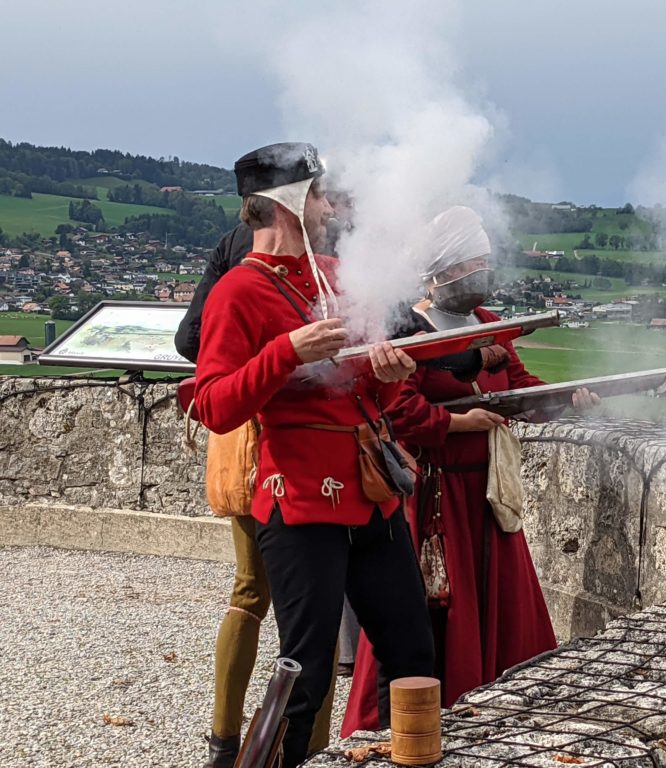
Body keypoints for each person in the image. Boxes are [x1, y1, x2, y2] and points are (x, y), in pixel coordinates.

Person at [192, 142, 434, 768]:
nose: (330, 208)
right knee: (304, 678)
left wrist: (390, 371)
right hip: (300, 504)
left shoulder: (336, 272)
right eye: (320, 196)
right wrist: (287, 353)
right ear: (287, 203)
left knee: (413, 658)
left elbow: (366, 391)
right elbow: (216, 405)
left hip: (373, 497)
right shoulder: (237, 293)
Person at [341, 206, 597, 736]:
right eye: (472, 261)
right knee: (428, 613)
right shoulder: (408, 326)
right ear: (444, 267)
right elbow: (398, 409)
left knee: (497, 615)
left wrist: (568, 398)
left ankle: (495, 724)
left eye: (484, 259)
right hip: (435, 496)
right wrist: (460, 423)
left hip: (486, 494)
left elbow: (521, 389)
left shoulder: (487, 325)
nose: (482, 269)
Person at [177, 194, 358, 768]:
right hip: (264, 438)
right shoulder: (268, 261)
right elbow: (199, 345)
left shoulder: (236, 248)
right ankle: (284, 748)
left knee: (255, 591)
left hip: (251, 436)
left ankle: (226, 741)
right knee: (302, 605)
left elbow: (187, 340)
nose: (329, 207)